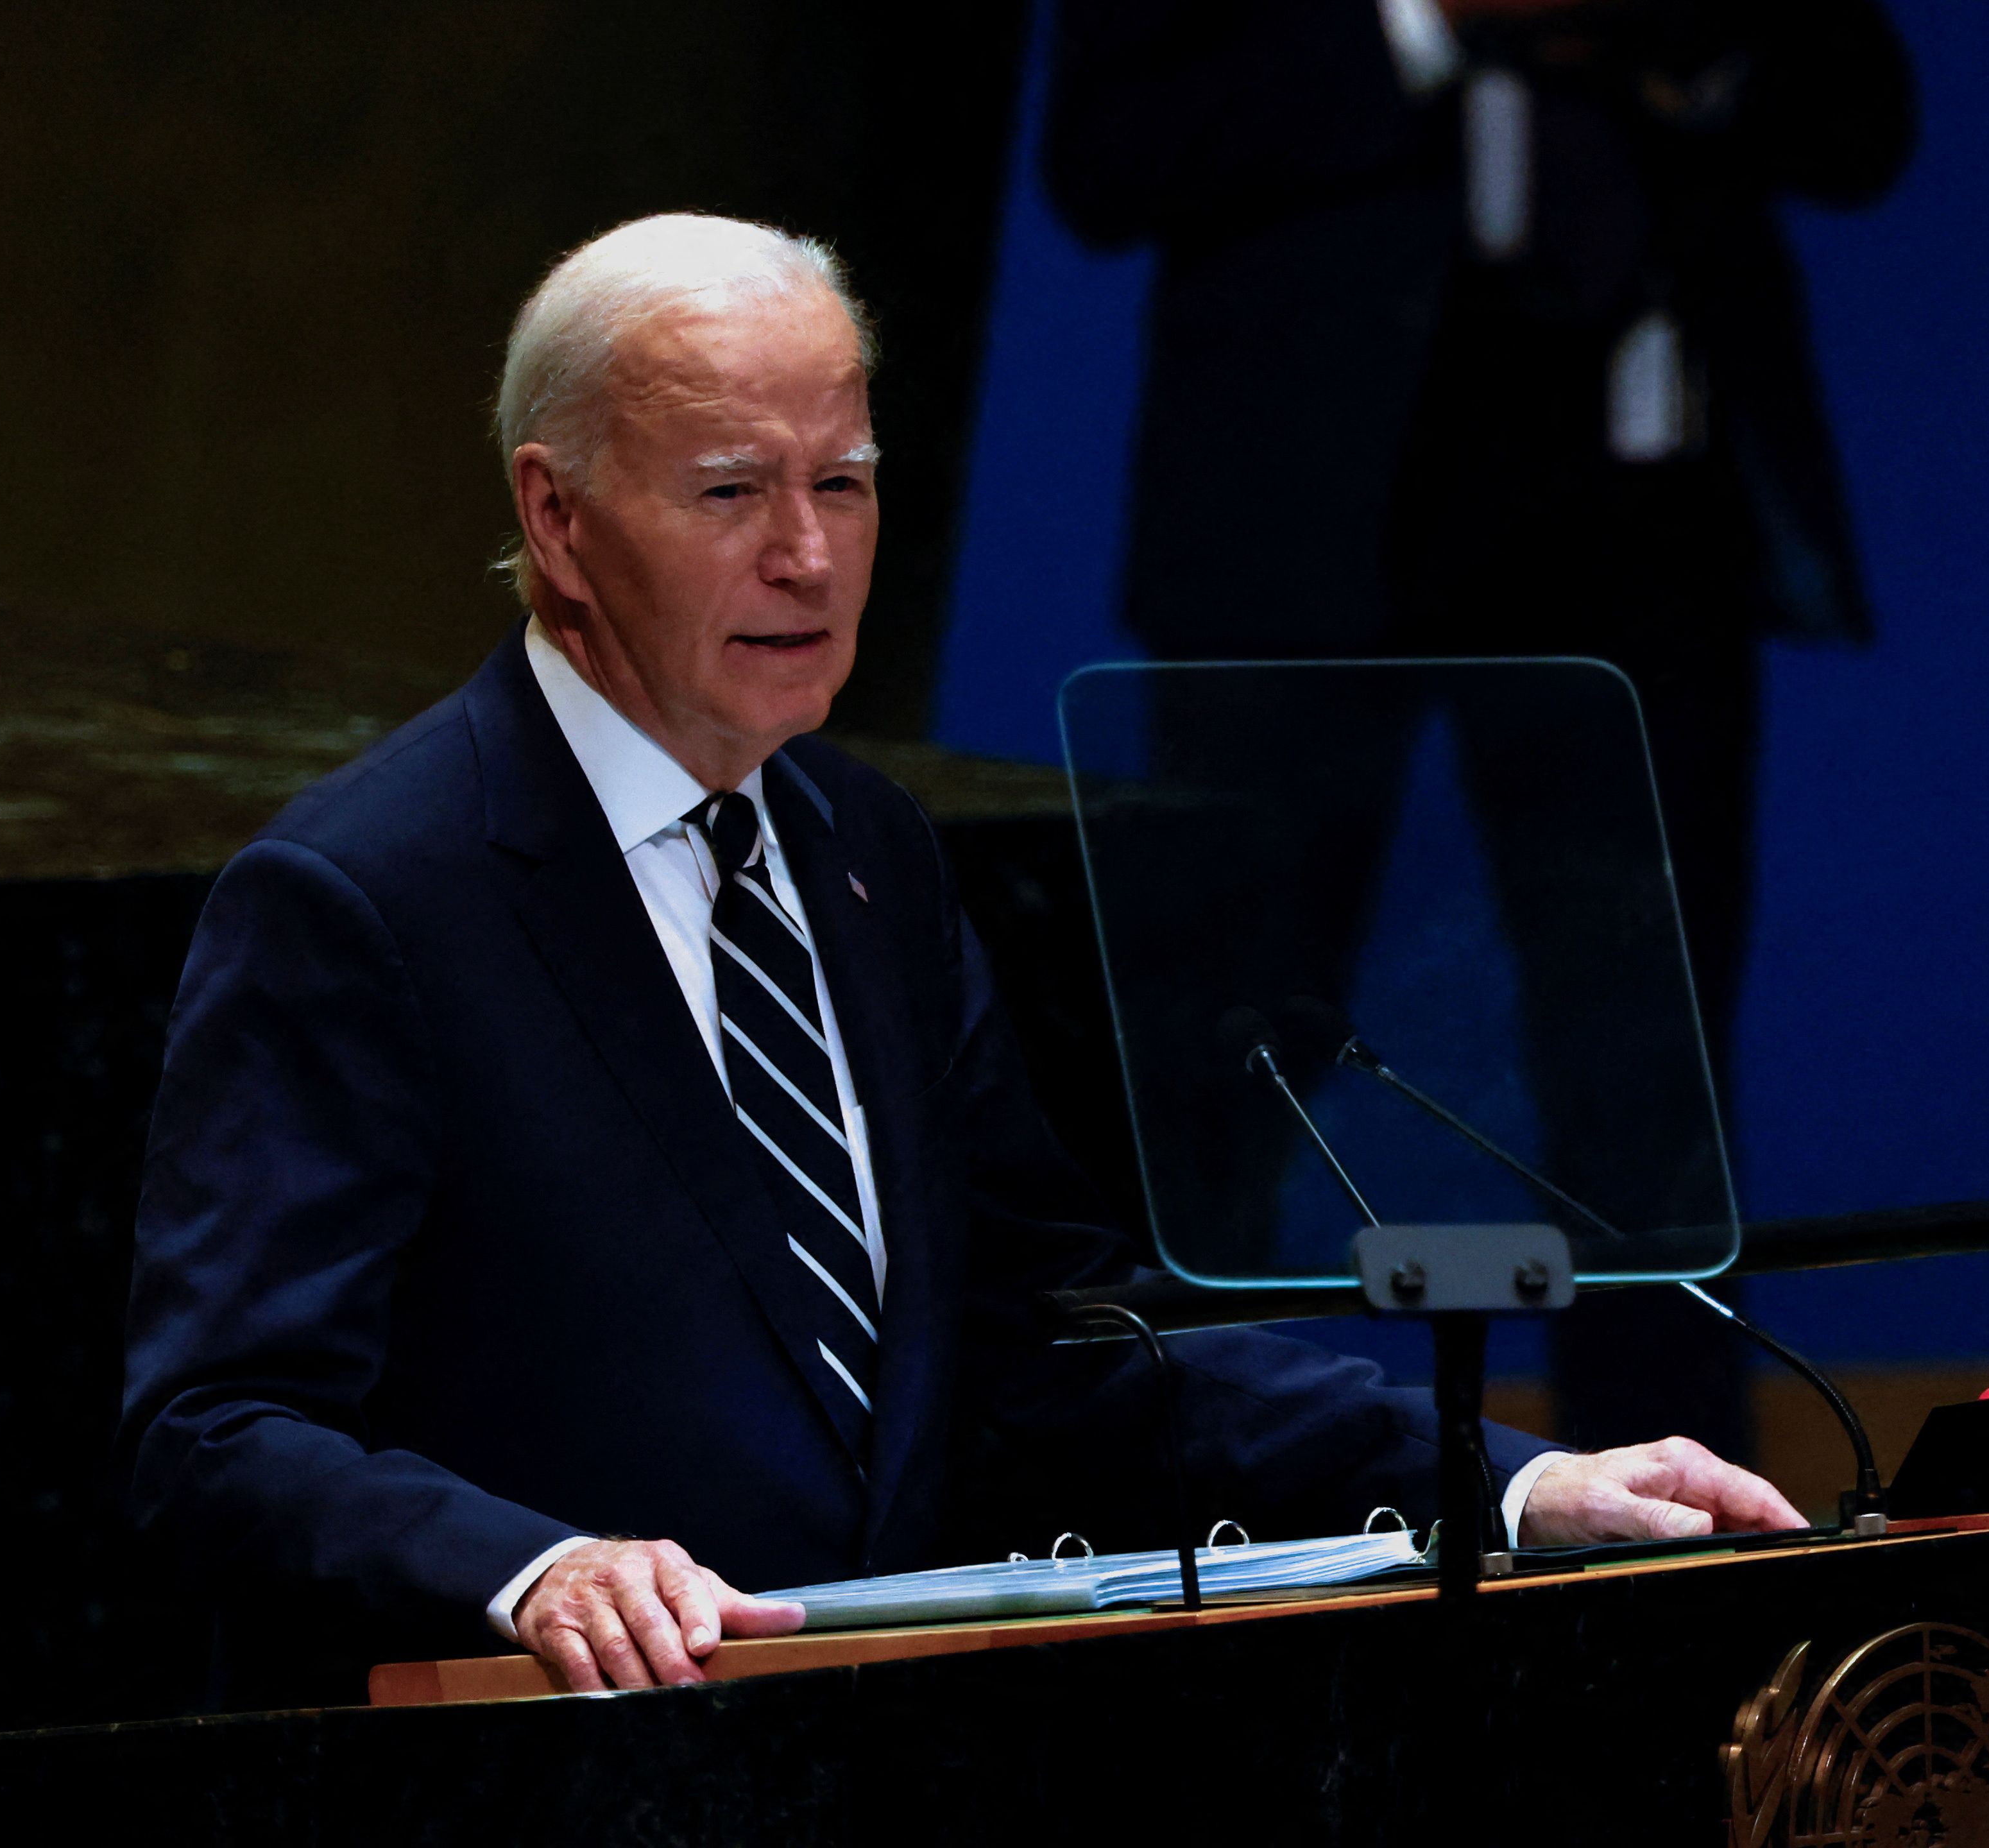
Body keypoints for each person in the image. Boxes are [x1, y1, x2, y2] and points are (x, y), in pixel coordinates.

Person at [119, 214, 1797, 1698]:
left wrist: (1502, 1486)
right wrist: (532, 1569)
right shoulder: (367, 898)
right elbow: (217, 1435)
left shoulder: (869, 856)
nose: (809, 553)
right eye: (732, 493)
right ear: (556, 520)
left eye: (842, 481)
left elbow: (1061, 1342)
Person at [1041, 0, 1912, 1458]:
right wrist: (1437, 0)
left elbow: (1861, 111)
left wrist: (1665, 15)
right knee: (1236, 1062)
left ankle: (1658, 1540)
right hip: (1315, 507)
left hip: (1634, 497)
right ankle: (1207, 1535)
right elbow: (1115, 145)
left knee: (1646, 1090)